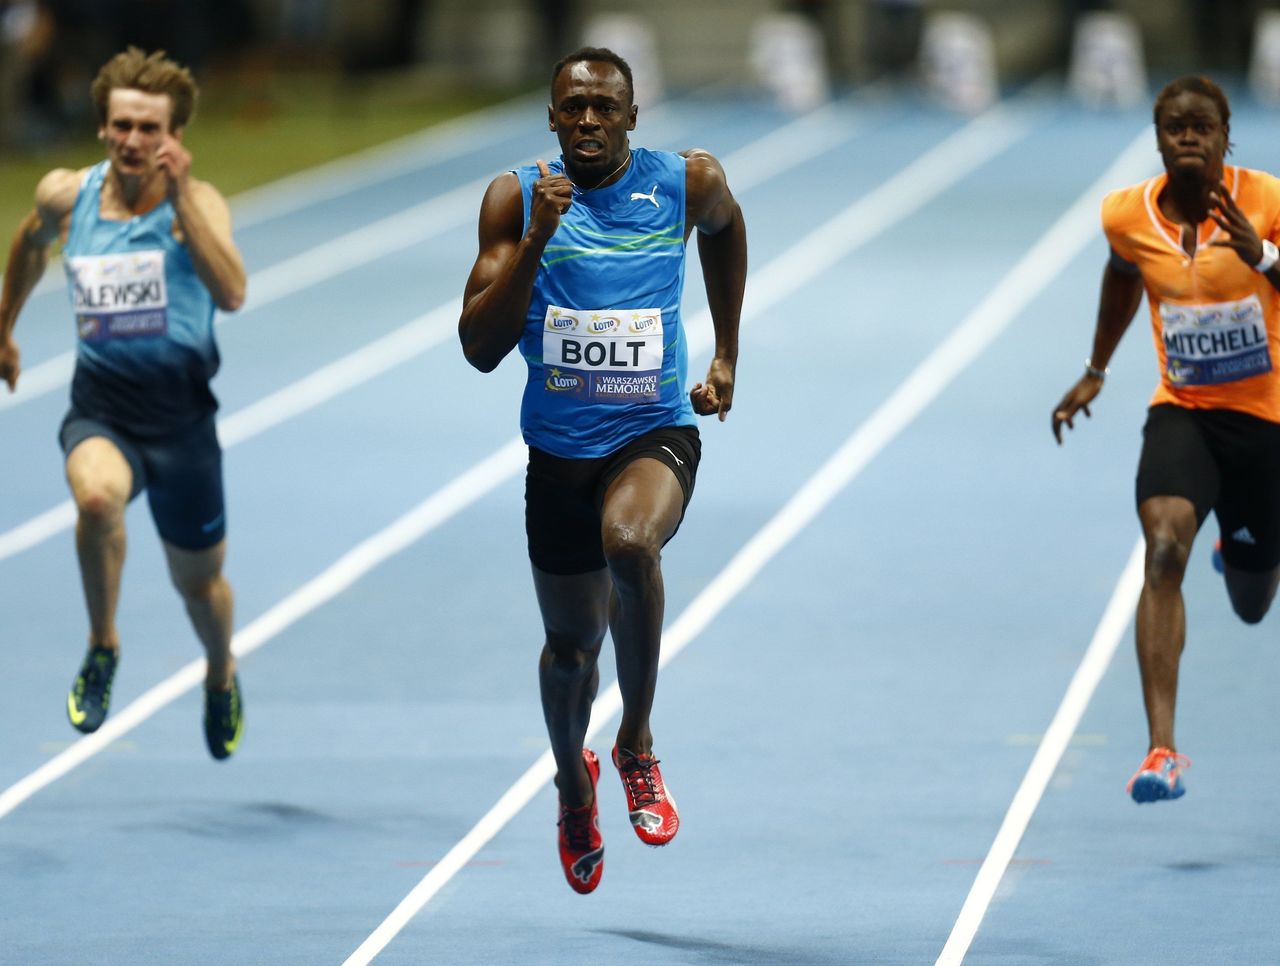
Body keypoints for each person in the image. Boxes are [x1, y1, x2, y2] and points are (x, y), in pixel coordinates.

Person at [459, 45, 746, 892]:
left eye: (604, 107)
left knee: (631, 543)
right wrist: (536, 240)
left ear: (630, 115)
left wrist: (727, 352)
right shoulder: (516, 199)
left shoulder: (684, 182)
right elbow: (479, 348)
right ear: (551, 119)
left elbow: (727, 234)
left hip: (653, 431)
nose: (587, 120)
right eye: (571, 107)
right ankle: (572, 784)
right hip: (558, 454)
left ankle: (636, 744)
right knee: (569, 651)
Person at [0, 47, 247, 759]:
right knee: (97, 500)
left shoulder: (196, 205)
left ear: (174, 136)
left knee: (200, 587)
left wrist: (180, 203)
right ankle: (103, 645)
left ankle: (220, 670)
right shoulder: (65, 194)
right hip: (102, 411)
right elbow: (29, 240)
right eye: (121, 126)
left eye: (149, 128)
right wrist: (5, 328)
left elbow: (232, 292)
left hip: (183, 425)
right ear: (103, 127)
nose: (133, 141)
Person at [1052, 75, 1280, 804]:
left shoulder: (1269, 202)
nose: (1188, 136)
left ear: (1224, 136)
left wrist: (1263, 258)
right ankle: (1162, 751)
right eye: (1174, 126)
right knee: (1163, 545)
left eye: (1201, 126)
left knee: (1252, 598)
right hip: (1183, 410)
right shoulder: (1126, 215)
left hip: (1265, 421)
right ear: (1158, 139)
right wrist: (1095, 369)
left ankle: (1239, 553)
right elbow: (1122, 278)